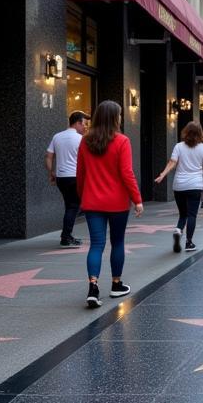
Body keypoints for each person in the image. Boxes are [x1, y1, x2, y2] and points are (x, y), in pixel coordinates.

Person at [75, 101, 143, 308]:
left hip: (92, 202)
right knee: (117, 243)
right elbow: (126, 173)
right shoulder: (122, 141)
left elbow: (80, 174)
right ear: (115, 118)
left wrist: (82, 196)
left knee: (96, 245)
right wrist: (137, 199)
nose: (121, 118)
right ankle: (116, 284)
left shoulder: (85, 141)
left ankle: (93, 287)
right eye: (120, 115)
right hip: (117, 203)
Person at [155, 121, 203, 253]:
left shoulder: (179, 146)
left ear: (185, 132)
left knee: (183, 214)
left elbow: (172, 162)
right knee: (192, 214)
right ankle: (189, 242)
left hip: (179, 186)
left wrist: (163, 174)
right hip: (195, 185)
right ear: (200, 133)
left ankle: (178, 230)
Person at [45, 110, 89, 247]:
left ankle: (67, 235)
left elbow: (49, 156)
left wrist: (51, 172)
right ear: (77, 123)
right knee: (73, 206)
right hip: (75, 177)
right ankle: (66, 237)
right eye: (84, 124)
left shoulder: (57, 136)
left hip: (61, 178)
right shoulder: (81, 139)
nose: (85, 127)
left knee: (70, 205)